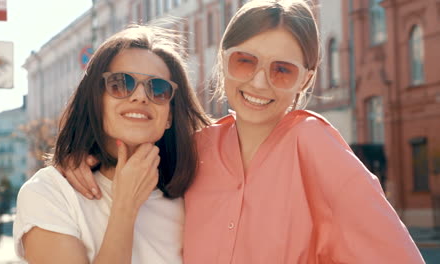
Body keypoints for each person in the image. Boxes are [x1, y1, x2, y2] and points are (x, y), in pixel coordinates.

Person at [63, 0, 425, 263]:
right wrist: (79, 158)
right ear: (223, 59)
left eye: (282, 70)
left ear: (306, 79)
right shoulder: (194, 149)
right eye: (245, 61)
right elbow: (126, 161)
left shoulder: (316, 146)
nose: (259, 82)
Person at [13, 24, 210, 263]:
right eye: (121, 84)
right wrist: (125, 208)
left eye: (158, 89)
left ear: (169, 115)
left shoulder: (194, 195)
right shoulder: (49, 193)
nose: (140, 96)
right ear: (96, 100)